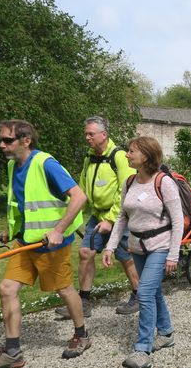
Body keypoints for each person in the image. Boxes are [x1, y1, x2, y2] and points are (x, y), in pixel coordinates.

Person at [0, 120, 89, 368]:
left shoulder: (45, 163)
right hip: (26, 243)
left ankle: (81, 334)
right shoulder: (12, 166)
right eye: (2, 140)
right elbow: (22, 203)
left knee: (64, 289)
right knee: (6, 288)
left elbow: (80, 197)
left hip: (52, 246)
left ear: (26, 140)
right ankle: (12, 352)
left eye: (8, 140)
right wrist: (11, 231)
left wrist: (58, 230)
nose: (1, 145)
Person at [102, 136, 182, 368]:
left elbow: (178, 222)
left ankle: (142, 349)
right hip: (137, 246)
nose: (127, 155)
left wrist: (173, 255)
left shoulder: (164, 183)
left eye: (131, 151)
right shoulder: (129, 182)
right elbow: (122, 218)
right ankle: (166, 333)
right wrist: (110, 246)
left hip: (160, 245)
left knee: (144, 292)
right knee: (153, 291)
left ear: (146, 156)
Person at [56, 116, 139, 320]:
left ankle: (139, 295)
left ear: (104, 135)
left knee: (125, 256)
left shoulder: (119, 156)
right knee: (85, 253)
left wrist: (111, 220)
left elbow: (126, 190)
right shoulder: (89, 157)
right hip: (97, 215)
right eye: (86, 133)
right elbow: (82, 190)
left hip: (119, 216)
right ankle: (83, 302)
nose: (87, 137)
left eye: (90, 134)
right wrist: (66, 214)